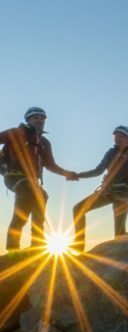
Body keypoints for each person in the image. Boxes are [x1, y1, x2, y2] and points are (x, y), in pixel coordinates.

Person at [0, 107, 79, 250]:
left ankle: (13, 249)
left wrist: (67, 173)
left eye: (42, 118)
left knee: (22, 213)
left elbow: (50, 165)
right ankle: (37, 243)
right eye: (36, 117)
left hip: (32, 181)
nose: (40, 120)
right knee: (40, 195)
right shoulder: (16, 133)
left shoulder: (44, 142)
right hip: (14, 177)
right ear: (28, 119)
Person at [71, 125, 128, 252]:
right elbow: (98, 171)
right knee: (78, 209)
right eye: (116, 136)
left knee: (119, 235)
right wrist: (78, 175)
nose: (118, 138)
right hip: (107, 192)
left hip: (123, 195)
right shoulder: (111, 153)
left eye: (121, 136)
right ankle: (78, 246)